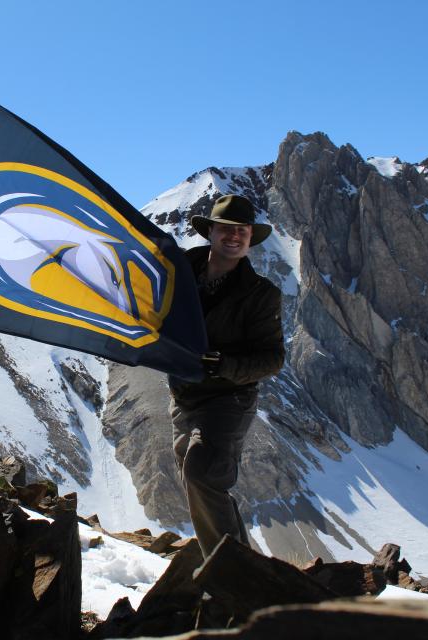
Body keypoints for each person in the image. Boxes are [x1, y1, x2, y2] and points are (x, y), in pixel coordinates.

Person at [167, 194, 285, 560]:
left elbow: (272, 358)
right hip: (184, 394)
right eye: (226, 229)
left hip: (229, 398)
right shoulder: (179, 270)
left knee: (203, 471)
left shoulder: (261, 294)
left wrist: (225, 365)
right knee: (195, 474)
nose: (234, 237)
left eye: (242, 231)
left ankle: (229, 575)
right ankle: (241, 563)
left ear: (251, 237)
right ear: (211, 232)